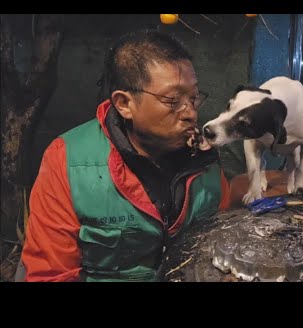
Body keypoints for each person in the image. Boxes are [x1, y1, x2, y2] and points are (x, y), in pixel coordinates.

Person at [20, 29, 231, 282]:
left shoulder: (204, 156)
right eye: (173, 100)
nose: (191, 113)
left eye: (194, 97)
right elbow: (50, 274)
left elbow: (223, 241)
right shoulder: (68, 160)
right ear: (124, 104)